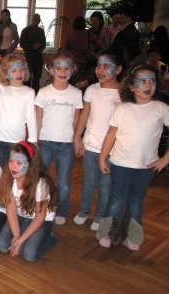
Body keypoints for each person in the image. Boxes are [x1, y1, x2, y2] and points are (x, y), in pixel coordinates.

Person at [97, 64, 169, 251]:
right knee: (116, 199)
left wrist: (165, 159)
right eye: (142, 81)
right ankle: (107, 233)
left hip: (145, 167)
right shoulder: (122, 109)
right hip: (120, 164)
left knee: (136, 201)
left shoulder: (161, 109)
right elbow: (111, 135)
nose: (148, 84)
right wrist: (102, 158)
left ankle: (132, 235)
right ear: (131, 86)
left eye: (152, 81)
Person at [73, 48, 127, 231]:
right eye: (98, 65)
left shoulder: (124, 94)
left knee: (105, 185)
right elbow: (84, 116)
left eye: (106, 66)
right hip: (91, 145)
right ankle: (83, 211)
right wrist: (77, 138)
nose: (100, 70)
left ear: (118, 69)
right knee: (88, 181)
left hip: (112, 149)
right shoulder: (91, 90)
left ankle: (99, 216)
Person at [35, 51, 83, 226]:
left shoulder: (76, 94)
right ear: (51, 70)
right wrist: (34, 140)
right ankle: (40, 208)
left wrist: (77, 140)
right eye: (58, 68)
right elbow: (38, 118)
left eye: (67, 68)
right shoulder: (43, 92)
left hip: (66, 144)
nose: (62, 72)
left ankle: (61, 210)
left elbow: (77, 119)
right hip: (46, 142)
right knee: (42, 178)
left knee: (63, 181)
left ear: (73, 70)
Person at [0, 142, 58, 261]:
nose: (13, 166)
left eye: (19, 163)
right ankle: (25, 235)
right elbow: (11, 209)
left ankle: (50, 237)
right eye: (11, 161)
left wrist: (22, 240)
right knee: (2, 246)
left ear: (31, 165)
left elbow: (39, 218)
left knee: (29, 254)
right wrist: (16, 235)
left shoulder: (41, 184)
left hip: (41, 220)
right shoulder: (9, 178)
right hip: (20, 216)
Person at [0, 53, 37, 167]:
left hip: (17, 140)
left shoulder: (29, 92)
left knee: (13, 171)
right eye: (13, 70)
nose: (19, 73)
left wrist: (33, 139)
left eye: (21, 69)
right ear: (6, 74)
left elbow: (31, 118)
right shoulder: (0, 89)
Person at [63, 16, 103, 87]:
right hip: (86, 64)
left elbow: (65, 51)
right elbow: (101, 46)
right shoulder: (89, 35)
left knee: (72, 85)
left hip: (73, 64)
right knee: (84, 85)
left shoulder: (70, 36)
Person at [20, 14, 46, 94]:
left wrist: (41, 46)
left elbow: (44, 43)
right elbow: (22, 44)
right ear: (32, 19)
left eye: (38, 19)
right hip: (29, 56)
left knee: (37, 77)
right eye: (35, 18)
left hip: (38, 56)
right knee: (28, 76)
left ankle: (35, 94)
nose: (37, 20)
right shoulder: (26, 30)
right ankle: (26, 93)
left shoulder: (41, 31)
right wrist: (32, 46)